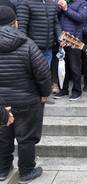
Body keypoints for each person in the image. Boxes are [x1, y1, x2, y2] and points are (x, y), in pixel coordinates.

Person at [0, 6, 51, 183]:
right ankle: (27, 171)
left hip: (1, 104)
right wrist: (45, 93)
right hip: (27, 100)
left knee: (2, 136)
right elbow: (43, 72)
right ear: (15, 23)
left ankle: (2, 169)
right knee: (26, 137)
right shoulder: (27, 43)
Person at [54, 0, 87, 101]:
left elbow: (81, 18)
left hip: (75, 40)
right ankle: (63, 90)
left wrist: (66, 9)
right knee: (63, 66)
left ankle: (77, 91)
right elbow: (55, 19)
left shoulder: (82, 3)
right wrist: (59, 37)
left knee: (75, 66)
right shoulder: (59, 1)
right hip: (62, 39)